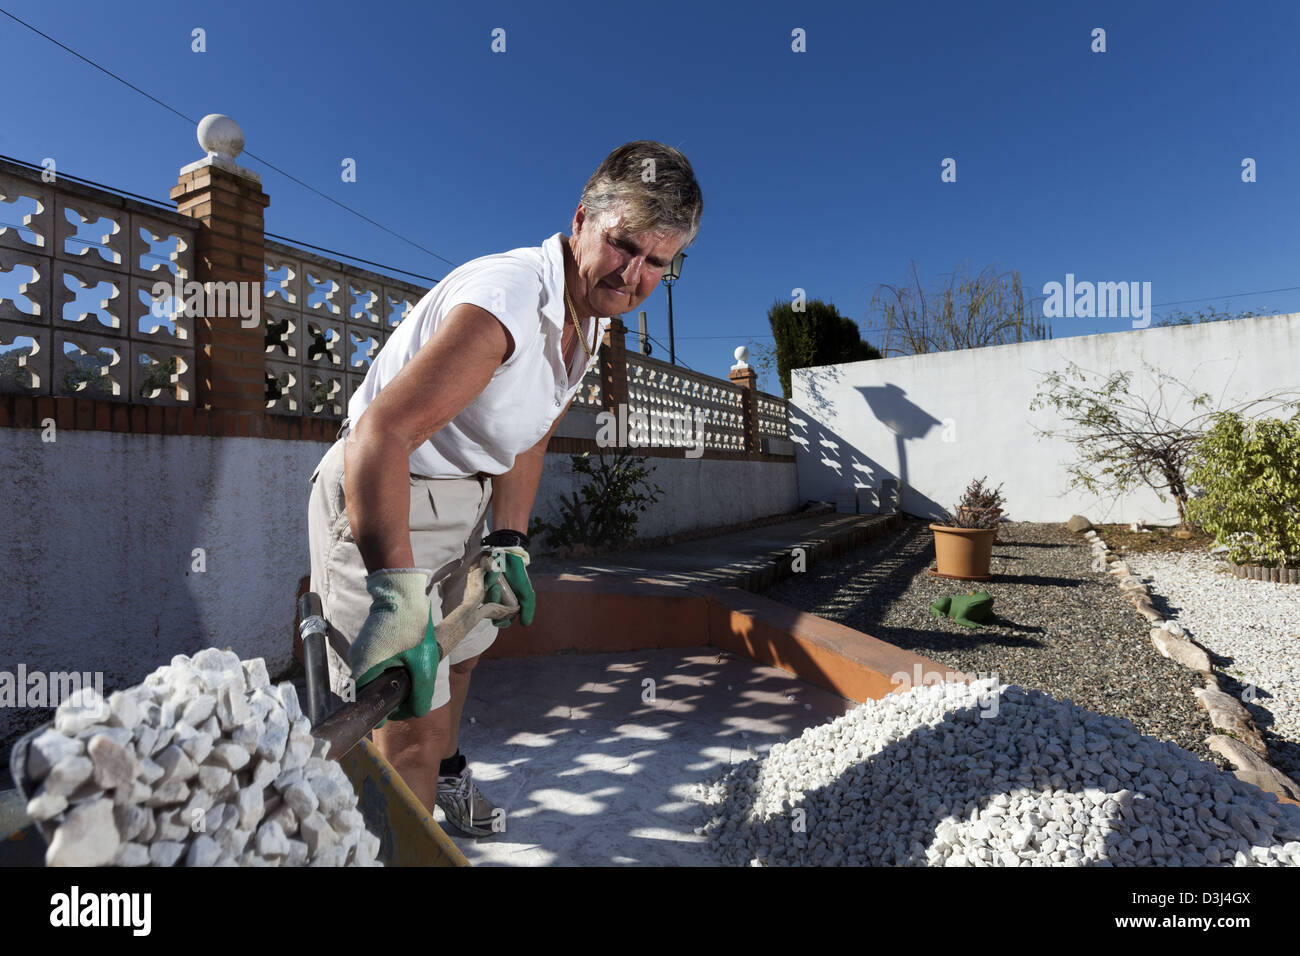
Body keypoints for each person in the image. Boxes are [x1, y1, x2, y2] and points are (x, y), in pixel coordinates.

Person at [307, 140, 703, 836]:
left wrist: (510, 541)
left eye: (657, 264)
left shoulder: (589, 319)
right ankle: (391, 842)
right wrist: (396, 594)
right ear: (582, 218)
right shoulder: (508, 301)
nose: (633, 275)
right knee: (406, 729)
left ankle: (446, 780)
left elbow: (528, 437)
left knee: (457, 664)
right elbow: (380, 437)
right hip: (390, 494)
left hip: (465, 502)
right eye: (623, 246)